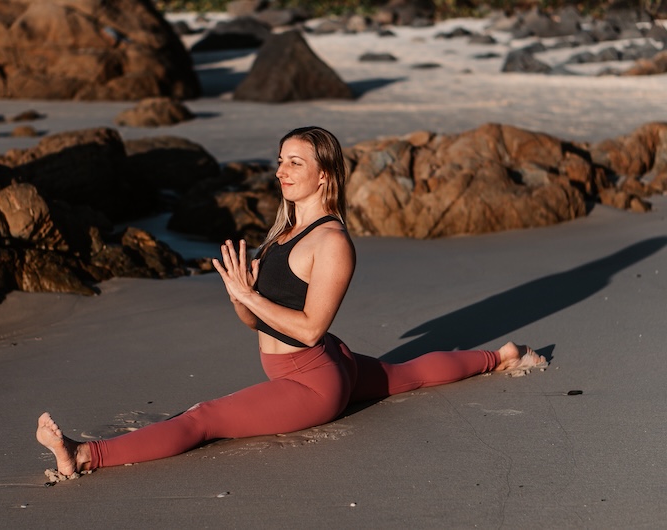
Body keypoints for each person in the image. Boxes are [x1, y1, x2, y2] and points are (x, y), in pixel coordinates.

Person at [36, 126, 546, 477]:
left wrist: (248, 294)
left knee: (203, 418)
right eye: (280, 160)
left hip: (312, 379)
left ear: (324, 174)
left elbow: (306, 329)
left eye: (295, 162)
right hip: (327, 363)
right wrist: (241, 293)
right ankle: (497, 358)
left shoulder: (332, 243)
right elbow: (252, 320)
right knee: (403, 374)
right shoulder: (282, 233)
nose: (282, 169)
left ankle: (84, 457)